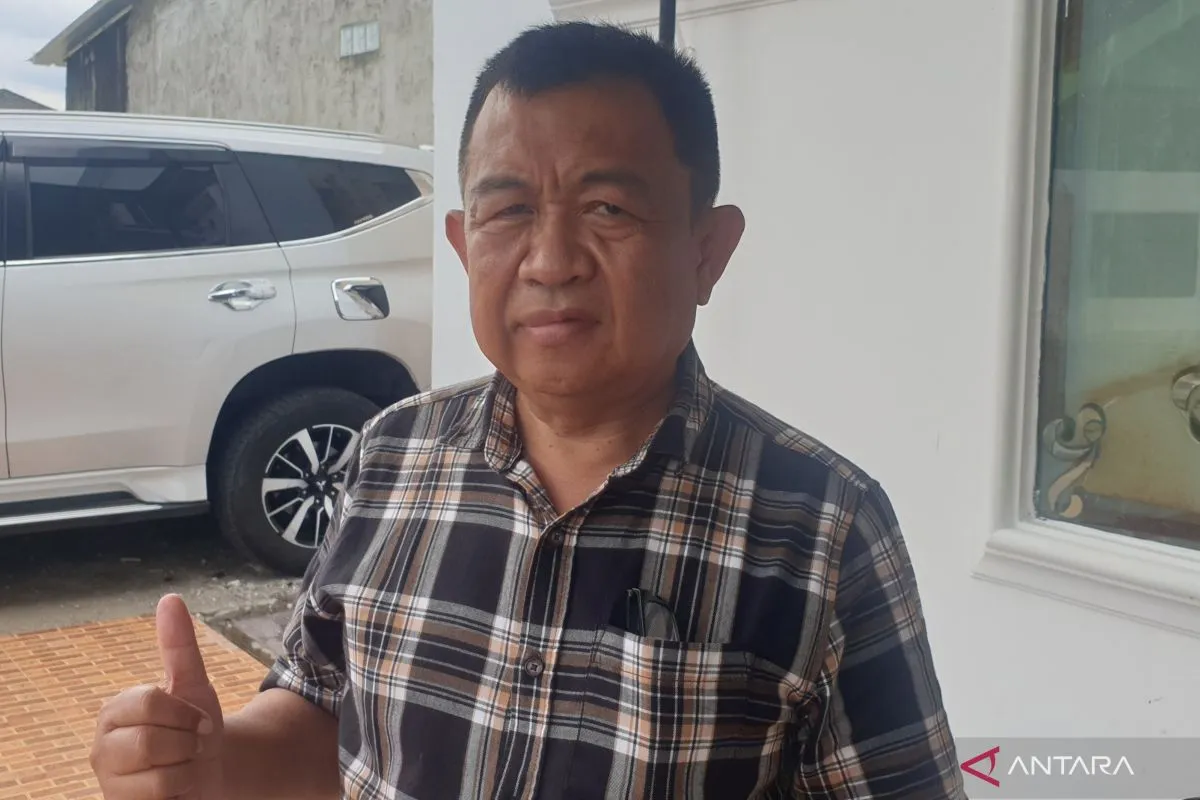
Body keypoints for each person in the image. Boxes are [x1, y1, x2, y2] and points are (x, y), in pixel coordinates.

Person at [89, 21, 963, 800]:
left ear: (707, 250)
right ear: (465, 246)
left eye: (608, 208)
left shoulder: (824, 528)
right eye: (509, 211)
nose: (550, 260)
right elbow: (323, 713)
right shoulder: (390, 455)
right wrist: (215, 762)